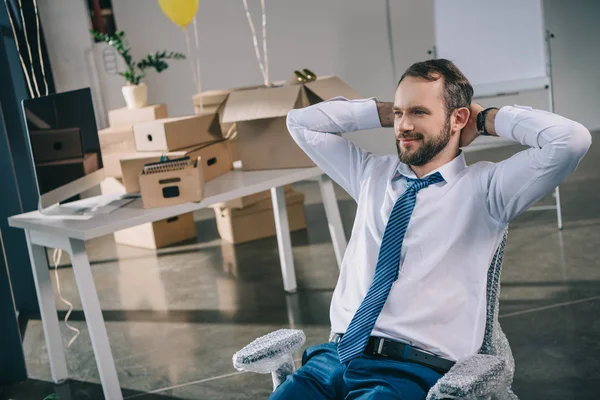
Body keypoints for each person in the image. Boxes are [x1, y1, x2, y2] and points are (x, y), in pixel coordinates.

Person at [271, 59, 592, 400]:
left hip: (409, 371)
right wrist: (385, 112)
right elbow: (300, 123)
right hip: (330, 361)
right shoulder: (370, 175)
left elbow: (571, 140)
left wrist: (486, 120)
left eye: (419, 112)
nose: (403, 126)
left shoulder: (488, 189)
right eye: (399, 113)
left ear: (458, 119)